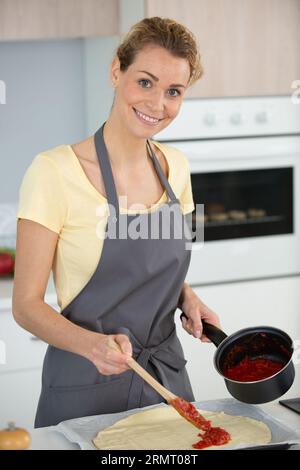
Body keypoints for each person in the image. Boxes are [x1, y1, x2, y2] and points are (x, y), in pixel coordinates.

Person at [12, 17, 220, 428]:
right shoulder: (53, 171)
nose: (157, 105)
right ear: (115, 71)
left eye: (173, 92)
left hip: (167, 381)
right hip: (86, 386)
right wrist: (93, 346)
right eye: (145, 82)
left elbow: (157, 264)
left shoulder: (176, 167)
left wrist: (186, 297)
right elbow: (25, 306)